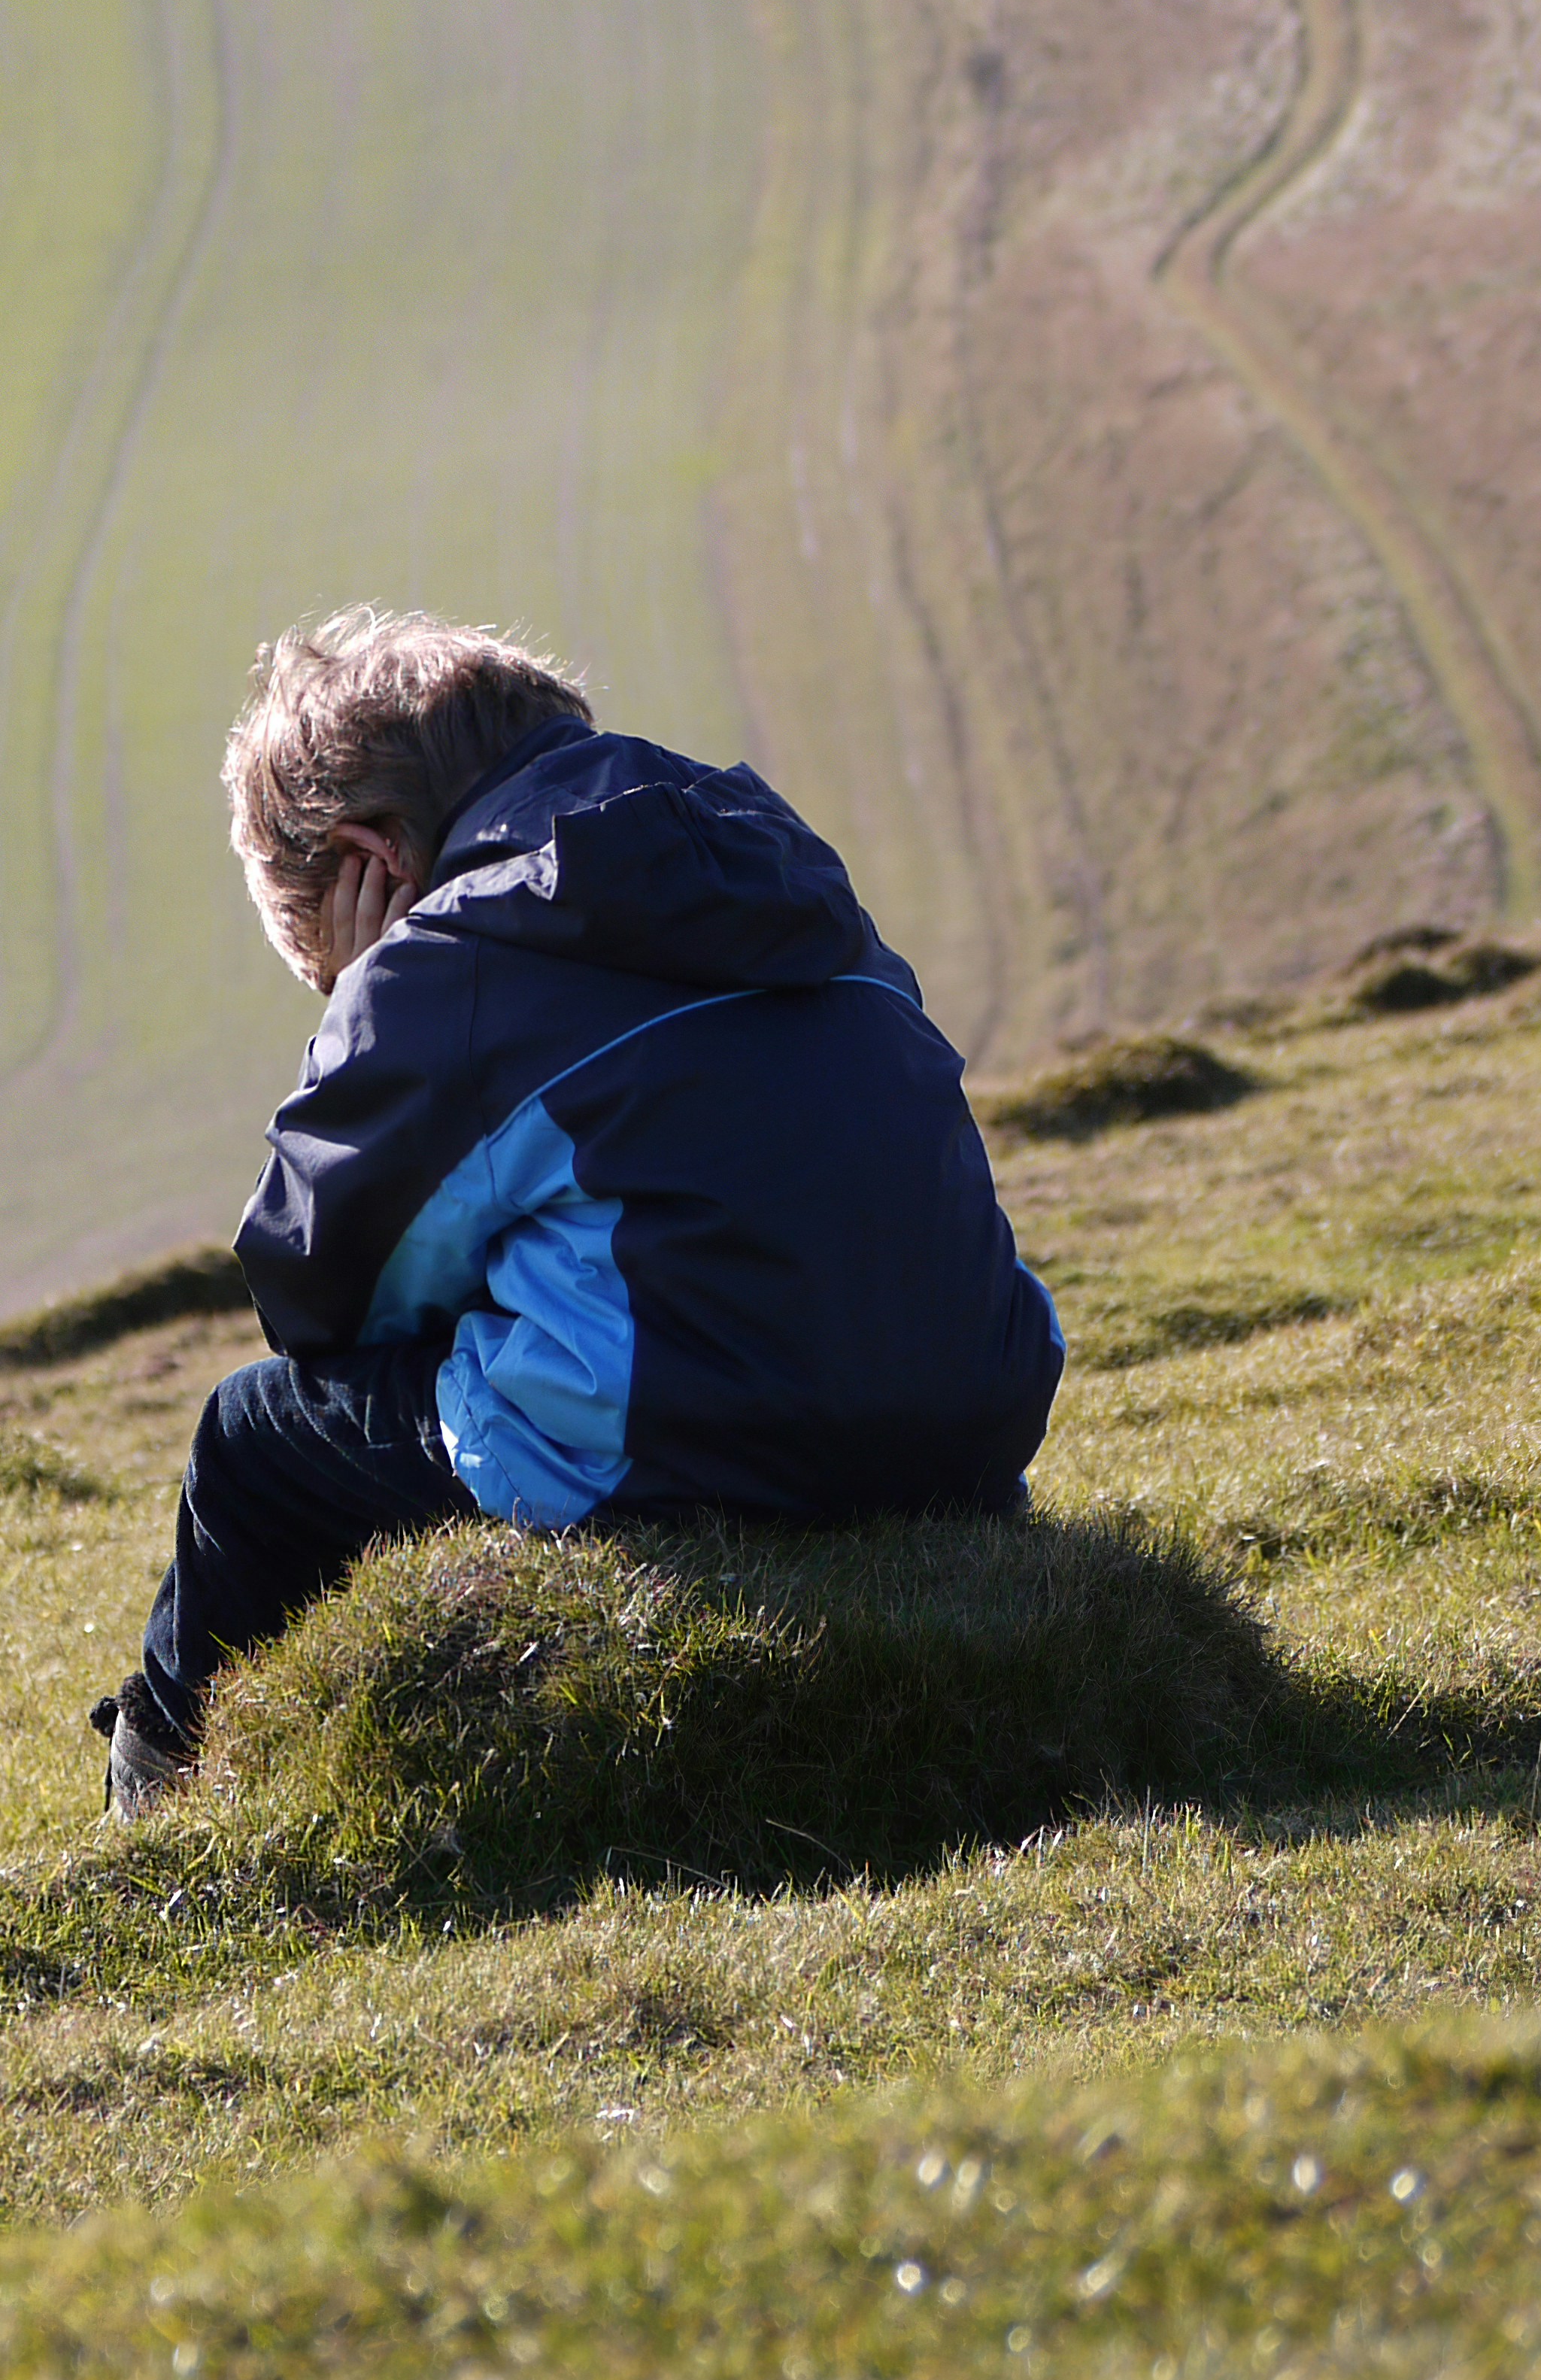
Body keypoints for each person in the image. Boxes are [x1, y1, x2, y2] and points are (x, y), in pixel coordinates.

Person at [98, 609, 1063, 1820]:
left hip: (676, 1444)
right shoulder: (768, 856)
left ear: (369, 860)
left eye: (311, 946)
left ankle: (161, 1802)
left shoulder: (445, 959)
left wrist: (355, 1006)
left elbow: (315, 1294)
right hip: (970, 1412)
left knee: (250, 1438)